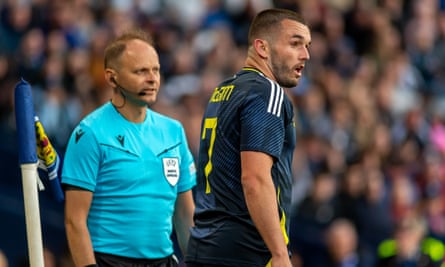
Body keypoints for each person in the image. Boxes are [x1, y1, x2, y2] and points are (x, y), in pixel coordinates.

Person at [186, 8, 311, 267]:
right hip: (247, 250)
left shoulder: (222, 91)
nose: (306, 54)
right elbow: (254, 178)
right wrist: (278, 252)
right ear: (262, 48)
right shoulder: (268, 93)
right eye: (295, 43)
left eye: (307, 45)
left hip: (205, 247)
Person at [61, 28, 197, 267]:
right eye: (140, 71)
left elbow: (185, 214)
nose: (152, 78)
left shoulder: (173, 131)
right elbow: (74, 221)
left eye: (155, 70)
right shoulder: (90, 133)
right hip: (109, 261)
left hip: (164, 260)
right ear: (112, 77)